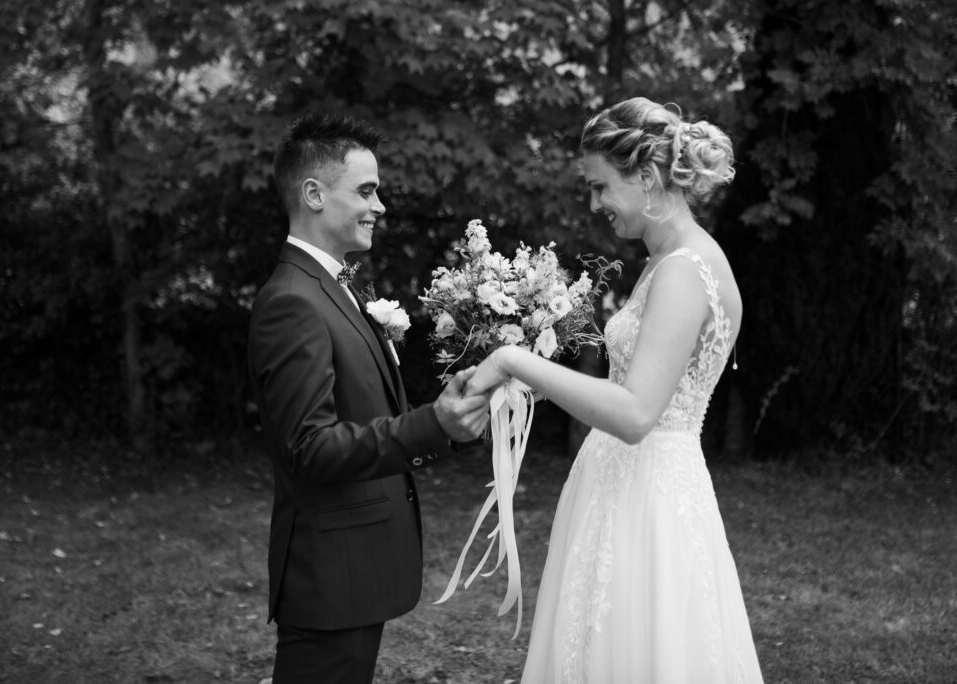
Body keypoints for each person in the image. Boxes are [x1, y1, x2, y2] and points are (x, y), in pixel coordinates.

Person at [465, 97, 765, 683]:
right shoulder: (668, 262)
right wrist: (531, 383)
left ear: (648, 178)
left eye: (601, 187)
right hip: (626, 484)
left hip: (649, 498)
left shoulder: (684, 268)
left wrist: (515, 360)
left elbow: (635, 415)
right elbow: (625, 389)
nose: (595, 203)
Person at [247, 112, 490, 684]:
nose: (379, 206)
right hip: (330, 575)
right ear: (313, 193)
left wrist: (449, 417)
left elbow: (367, 416)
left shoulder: (330, 287)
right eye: (365, 190)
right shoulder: (292, 301)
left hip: (354, 569)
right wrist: (433, 424)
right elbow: (310, 448)